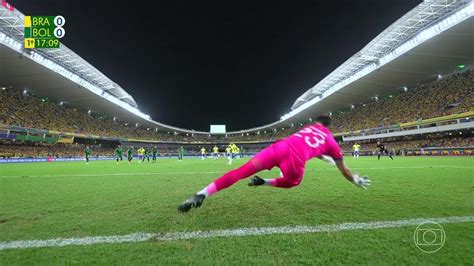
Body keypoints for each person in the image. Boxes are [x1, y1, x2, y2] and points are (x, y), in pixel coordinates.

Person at [178, 115, 371, 213]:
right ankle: (265, 182)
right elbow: (343, 169)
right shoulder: (330, 140)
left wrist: (321, 155)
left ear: (316, 123)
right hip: (294, 159)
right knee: (293, 182)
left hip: (280, 147)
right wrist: (354, 179)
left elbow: (307, 141)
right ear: (328, 127)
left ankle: (202, 193)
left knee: (240, 171)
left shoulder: (309, 127)